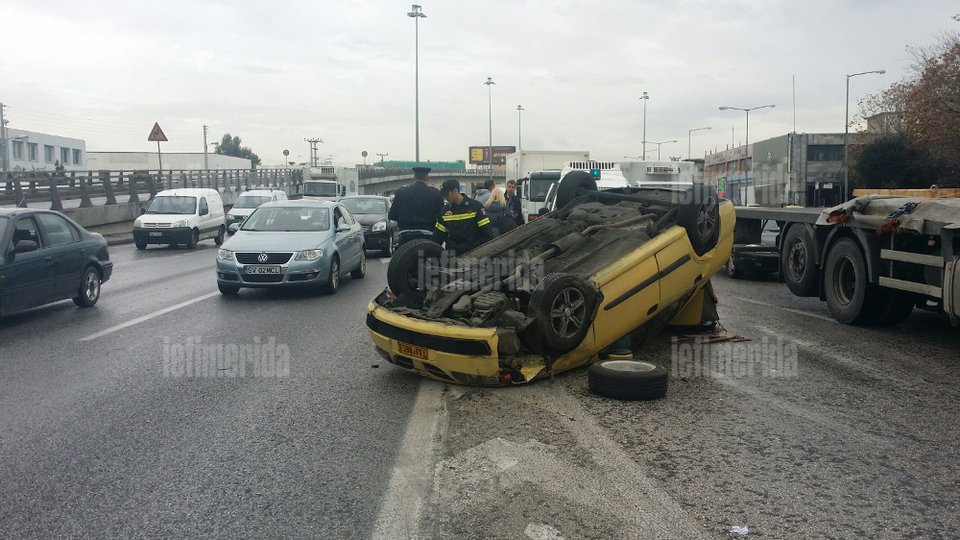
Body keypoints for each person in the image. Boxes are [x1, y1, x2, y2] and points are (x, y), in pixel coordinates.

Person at [434, 179, 494, 255]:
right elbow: (438, 237)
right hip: (454, 257)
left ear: (455, 191)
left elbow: (487, 233)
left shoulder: (476, 207)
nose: (445, 197)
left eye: (447, 194)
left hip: (474, 255)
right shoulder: (444, 211)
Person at [388, 166, 443, 245]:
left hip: (405, 238)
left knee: (401, 257)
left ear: (414, 177)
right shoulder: (436, 193)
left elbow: (392, 216)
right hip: (428, 237)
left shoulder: (401, 192)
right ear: (427, 177)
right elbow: (441, 217)